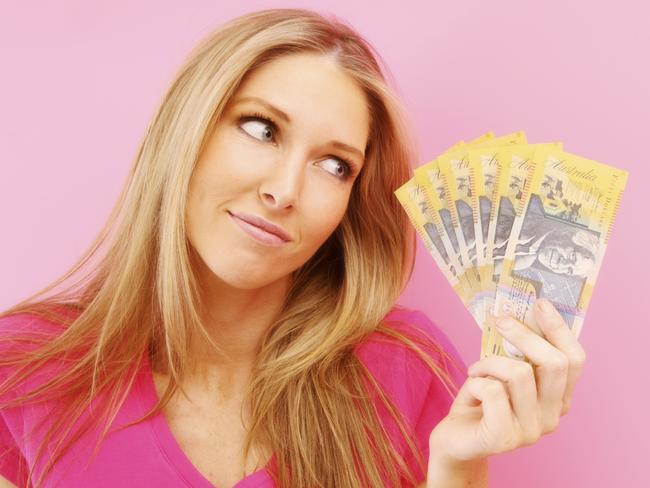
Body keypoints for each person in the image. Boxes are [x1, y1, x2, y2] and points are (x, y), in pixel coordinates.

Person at [0, 8, 586, 488]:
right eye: (261, 129)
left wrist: (459, 469)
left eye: (335, 166)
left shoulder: (407, 370)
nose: (284, 192)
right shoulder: (23, 367)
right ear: (188, 130)